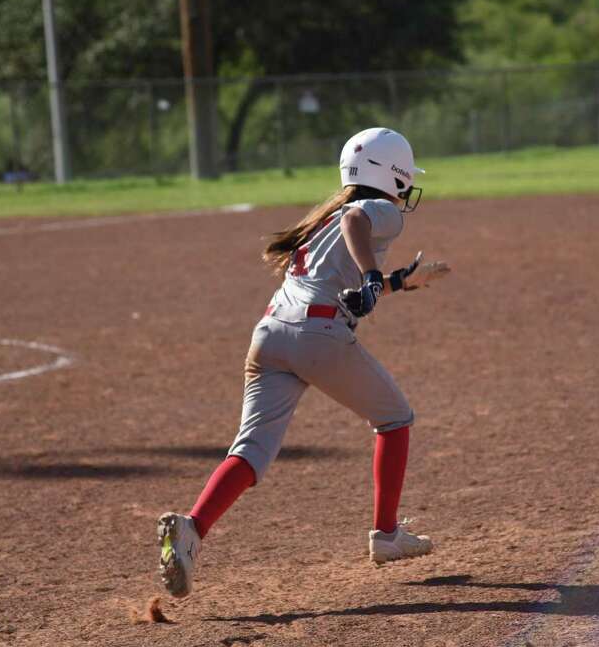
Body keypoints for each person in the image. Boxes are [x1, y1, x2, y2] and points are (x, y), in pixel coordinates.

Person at [157, 127, 452, 598]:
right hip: (317, 335)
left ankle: (191, 529)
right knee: (395, 419)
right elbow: (358, 223)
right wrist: (376, 276)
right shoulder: (377, 210)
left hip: (270, 334)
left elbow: (338, 280)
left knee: (250, 452)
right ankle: (387, 535)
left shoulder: (321, 219)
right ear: (392, 175)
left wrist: (398, 282)